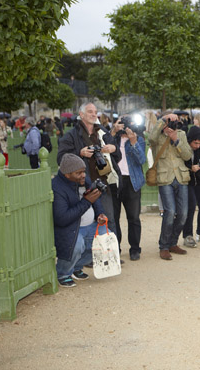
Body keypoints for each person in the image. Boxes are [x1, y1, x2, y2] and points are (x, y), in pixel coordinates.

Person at [57, 103, 122, 237]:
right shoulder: (71, 135)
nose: (94, 114)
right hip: (81, 187)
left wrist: (113, 149)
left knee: (109, 220)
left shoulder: (102, 132)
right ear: (81, 115)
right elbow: (61, 159)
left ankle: (112, 255)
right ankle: (89, 254)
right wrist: (79, 153)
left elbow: (118, 156)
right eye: (90, 112)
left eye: (95, 112)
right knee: (86, 222)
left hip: (103, 185)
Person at [52, 153, 107, 288]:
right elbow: (62, 219)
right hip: (68, 228)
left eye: (83, 171)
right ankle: (63, 273)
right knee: (77, 245)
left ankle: (77, 267)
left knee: (105, 239)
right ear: (67, 174)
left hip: (89, 224)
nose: (83, 175)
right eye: (79, 173)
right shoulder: (57, 187)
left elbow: (95, 198)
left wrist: (100, 213)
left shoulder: (83, 180)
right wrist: (86, 201)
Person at [149, 112, 193, 260]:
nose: (173, 124)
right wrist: (162, 122)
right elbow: (151, 139)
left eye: (175, 121)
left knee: (183, 213)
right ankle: (164, 246)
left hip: (181, 177)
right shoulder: (158, 135)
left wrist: (176, 139)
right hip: (165, 177)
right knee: (170, 211)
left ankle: (173, 242)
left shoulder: (181, 134)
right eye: (170, 121)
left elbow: (187, 156)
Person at [110, 115, 147, 261]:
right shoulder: (113, 138)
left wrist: (133, 142)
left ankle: (135, 248)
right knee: (114, 217)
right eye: (123, 124)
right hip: (114, 181)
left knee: (133, 218)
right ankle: (115, 249)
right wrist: (113, 131)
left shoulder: (139, 139)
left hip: (132, 181)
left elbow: (141, 160)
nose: (126, 127)